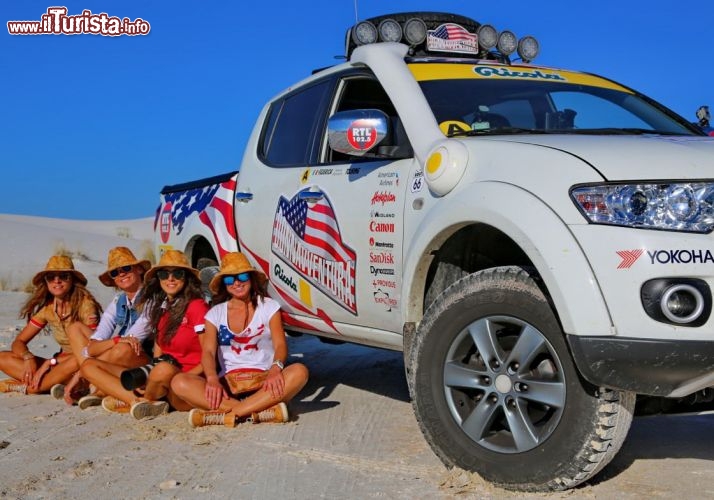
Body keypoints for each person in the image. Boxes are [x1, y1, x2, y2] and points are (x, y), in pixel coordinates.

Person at [170, 252, 309, 427]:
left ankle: (230, 414)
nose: (236, 283)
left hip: (265, 380)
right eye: (229, 279)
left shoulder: (269, 306)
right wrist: (212, 378)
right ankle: (259, 411)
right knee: (179, 382)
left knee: (299, 371)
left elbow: (280, 344)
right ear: (223, 284)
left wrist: (276, 368)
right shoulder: (215, 313)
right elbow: (208, 351)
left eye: (242, 276)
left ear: (251, 278)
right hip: (228, 385)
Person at [80, 249, 209, 420]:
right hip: (160, 374)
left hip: (184, 379)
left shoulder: (194, 306)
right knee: (88, 365)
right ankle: (139, 401)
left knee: (131, 355)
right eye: (164, 274)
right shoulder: (162, 309)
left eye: (177, 273)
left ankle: (130, 397)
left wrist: (184, 376)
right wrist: (150, 377)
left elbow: (210, 353)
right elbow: (157, 355)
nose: (170, 279)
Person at [56, 247, 153, 408]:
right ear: (113, 279)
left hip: (145, 360)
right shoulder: (118, 302)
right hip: (119, 356)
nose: (121, 274)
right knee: (75, 329)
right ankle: (98, 384)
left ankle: (95, 384)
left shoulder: (152, 298)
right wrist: (114, 340)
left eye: (126, 268)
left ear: (139, 269)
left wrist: (82, 372)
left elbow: (132, 341)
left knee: (121, 349)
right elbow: (91, 349)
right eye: (115, 272)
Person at [0, 255, 101, 395]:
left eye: (64, 276)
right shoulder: (47, 310)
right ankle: (53, 382)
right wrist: (27, 357)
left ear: (72, 280)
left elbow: (93, 349)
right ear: (46, 282)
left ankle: (29, 388)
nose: (57, 281)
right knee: (3, 358)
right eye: (51, 277)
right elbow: (19, 341)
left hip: (81, 362)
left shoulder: (86, 305)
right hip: (58, 363)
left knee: (73, 363)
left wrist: (51, 362)